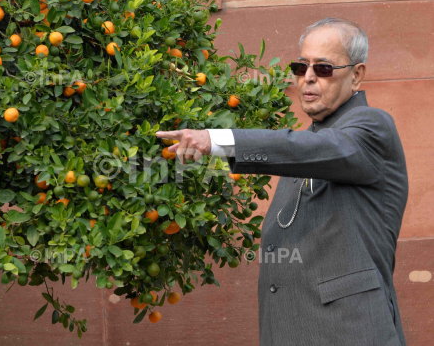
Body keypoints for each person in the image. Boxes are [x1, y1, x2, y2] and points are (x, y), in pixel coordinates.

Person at [155, 17, 408, 346]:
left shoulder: (371, 127)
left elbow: (304, 149)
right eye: (301, 67)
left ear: (356, 75)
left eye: (324, 68)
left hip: (350, 332)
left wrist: (216, 140)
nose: (309, 78)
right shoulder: (308, 142)